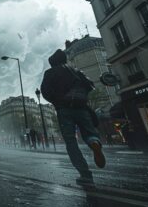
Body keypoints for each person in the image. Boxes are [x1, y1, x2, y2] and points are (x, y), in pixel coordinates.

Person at [41, 49, 105, 186]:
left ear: (52, 62)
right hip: (82, 107)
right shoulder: (75, 70)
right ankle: (94, 144)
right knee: (89, 132)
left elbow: (45, 91)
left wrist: (57, 101)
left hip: (64, 109)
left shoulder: (50, 72)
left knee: (71, 142)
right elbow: (90, 85)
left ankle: (85, 174)